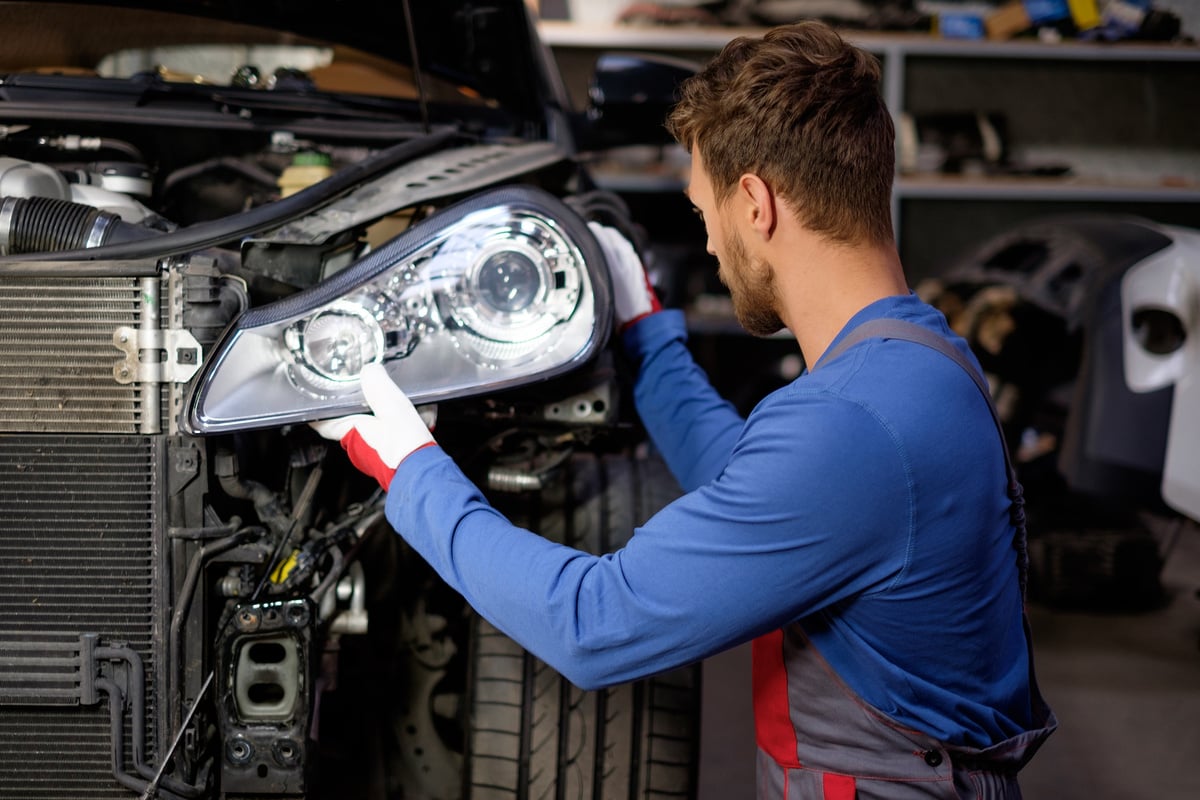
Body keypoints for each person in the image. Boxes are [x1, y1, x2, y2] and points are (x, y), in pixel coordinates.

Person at [313, 20, 1056, 798]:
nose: (708, 247)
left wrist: (413, 473)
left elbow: (593, 624)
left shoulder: (849, 427)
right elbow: (760, 491)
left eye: (704, 215)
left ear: (755, 204)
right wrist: (649, 337)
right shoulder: (923, 362)